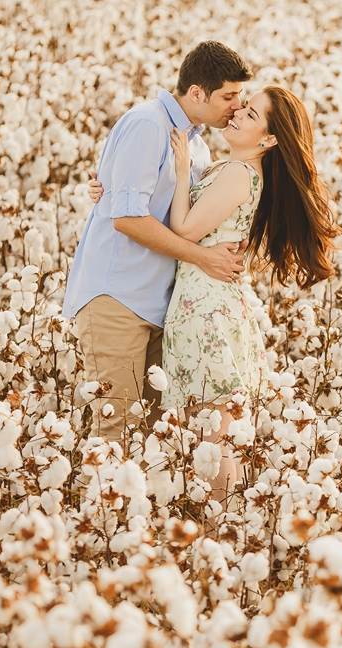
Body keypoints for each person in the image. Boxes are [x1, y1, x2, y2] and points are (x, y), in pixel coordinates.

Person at [90, 86, 342, 505]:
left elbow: (186, 231)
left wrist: (184, 169)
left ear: (269, 139)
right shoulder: (234, 169)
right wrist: (109, 191)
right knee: (217, 428)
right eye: (243, 104)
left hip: (205, 307)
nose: (239, 113)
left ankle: (225, 521)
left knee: (214, 430)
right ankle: (228, 520)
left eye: (253, 113)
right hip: (208, 302)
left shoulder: (237, 173)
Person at [63, 41, 253, 442]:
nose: (236, 106)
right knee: (115, 432)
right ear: (197, 93)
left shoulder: (195, 144)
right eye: (229, 97)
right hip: (119, 298)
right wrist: (203, 257)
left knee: (150, 437)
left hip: (159, 305)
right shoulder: (149, 124)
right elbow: (129, 220)